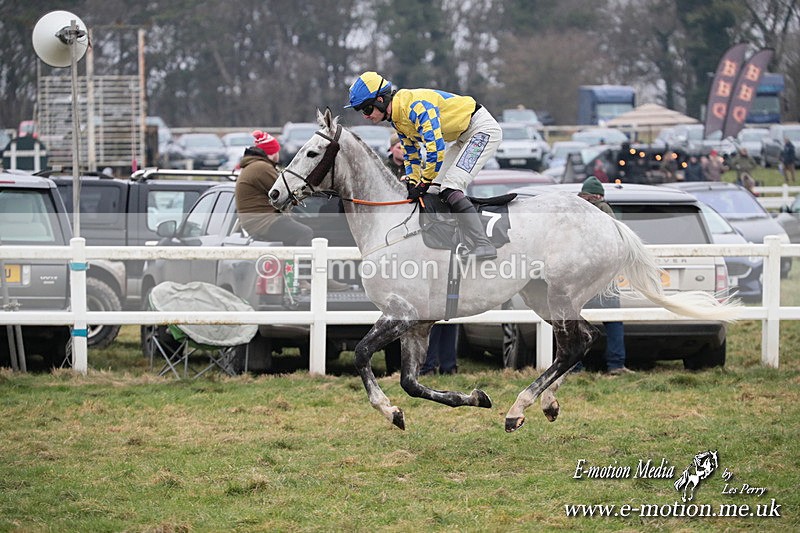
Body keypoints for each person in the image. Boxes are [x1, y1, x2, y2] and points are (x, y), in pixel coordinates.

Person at [346, 71, 502, 260]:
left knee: (451, 185)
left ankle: (483, 244)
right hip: (463, 135)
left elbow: (435, 149)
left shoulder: (415, 106)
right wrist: (413, 182)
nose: (365, 116)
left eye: (367, 109)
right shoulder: (397, 118)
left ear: (380, 100)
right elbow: (411, 154)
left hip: (482, 130)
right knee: (434, 189)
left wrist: (423, 181)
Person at [235, 130, 348, 290]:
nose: (278, 153)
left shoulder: (255, 166)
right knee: (304, 233)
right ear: (272, 153)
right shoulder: (261, 168)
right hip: (263, 221)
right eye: (277, 150)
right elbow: (287, 190)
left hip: (259, 220)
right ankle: (307, 279)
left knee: (303, 230)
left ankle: (309, 277)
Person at [577, 176, 632, 375]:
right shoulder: (604, 208)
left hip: (579, 279)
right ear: (599, 195)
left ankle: (574, 366)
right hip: (605, 279)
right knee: (614, 321)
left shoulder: (573, 210)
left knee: (574, 322)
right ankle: (616, 364)